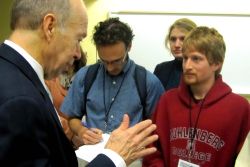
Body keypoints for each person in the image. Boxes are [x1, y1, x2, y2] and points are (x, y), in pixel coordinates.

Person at [0, 0, 159, 166]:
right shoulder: (19, 101)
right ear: (50, 27)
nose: (78, 54)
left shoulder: (13, 76)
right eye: (78, 39)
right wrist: (113, 157)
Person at [143, 26, 250, 167]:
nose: (187, 66)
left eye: (196, 59)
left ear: (217, 63)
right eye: (185, 58)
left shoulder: (239, 108)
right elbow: (152, 152)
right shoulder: (167, 101)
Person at [61, 17, 164, 145]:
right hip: (93, 155)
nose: (110, 67)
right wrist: (82, 131)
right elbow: (72, 117)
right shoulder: (85, 75)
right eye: (104, 61)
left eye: (116, 61)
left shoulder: (149, 82)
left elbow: (158, 127)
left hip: (131, 159)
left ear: (129, 47)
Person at [45, 47, 87, 149]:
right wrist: (72, 135)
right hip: (58, 137)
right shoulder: (49, 79)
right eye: (68, 62)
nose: (69, 68)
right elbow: (50, 115)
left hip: (79, 138)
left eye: (73, 64)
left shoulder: (82, 78)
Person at [154, 18, 197, 91]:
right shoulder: (161, 69)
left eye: (183, 39)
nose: (177, 45)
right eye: (173, 39)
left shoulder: (203, 69)